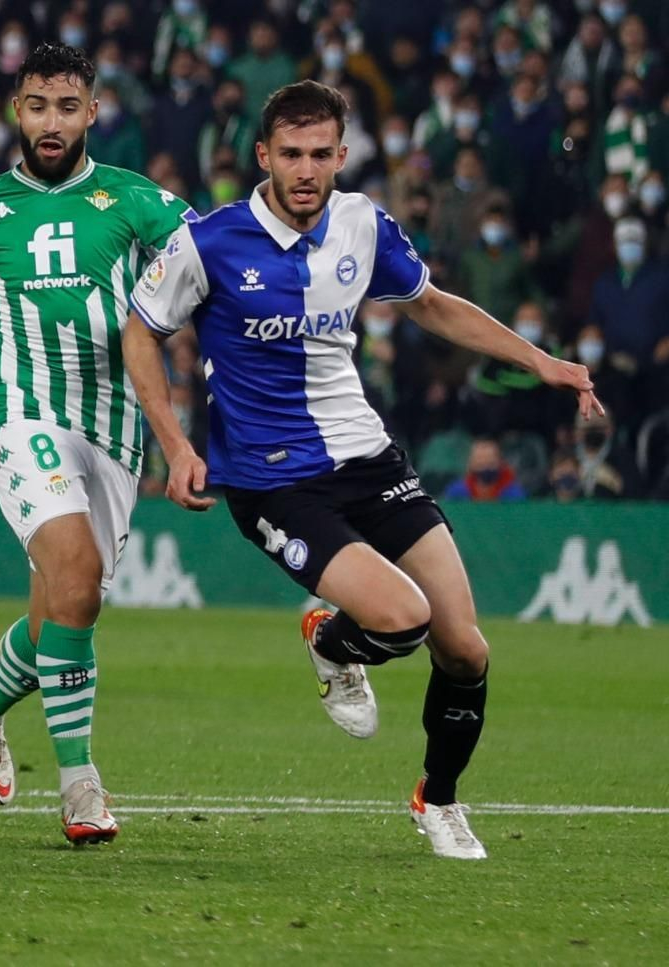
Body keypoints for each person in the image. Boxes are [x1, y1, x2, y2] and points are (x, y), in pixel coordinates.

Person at [126, 81, 600, 860]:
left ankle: (438, 799)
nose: (307, 170)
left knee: (467, 649)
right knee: (402, 618)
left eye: (321, 154)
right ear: (263, 157)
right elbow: (140, 334)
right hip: (270, 480)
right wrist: (176, 445)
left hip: (369, 458)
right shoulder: (209, 242)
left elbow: (433, 303)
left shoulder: (363, 223)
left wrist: (539, 359)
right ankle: (336, 644)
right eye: (291, 154)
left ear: (341, 155)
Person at [0, 43, 192, 845]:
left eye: (66, 107)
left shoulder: (137, 202)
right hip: (21, 417)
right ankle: (81, 786)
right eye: (36, 106)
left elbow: (216, 261)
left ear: (92, 112)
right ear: (14, 112)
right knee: (77, 577)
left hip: (117, 428)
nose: (50, 122)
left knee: (66, 603)